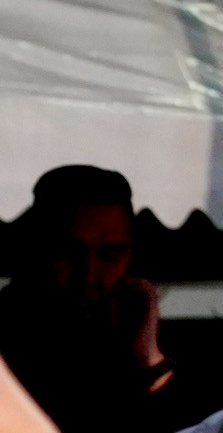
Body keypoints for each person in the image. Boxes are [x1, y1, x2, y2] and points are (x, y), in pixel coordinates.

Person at [0, 167, 201, 432]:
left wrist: (149, 358)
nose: (89, 275)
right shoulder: (9, 335)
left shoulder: (137, 334)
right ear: (39, 248)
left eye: (110, 255)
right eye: (69, 253)